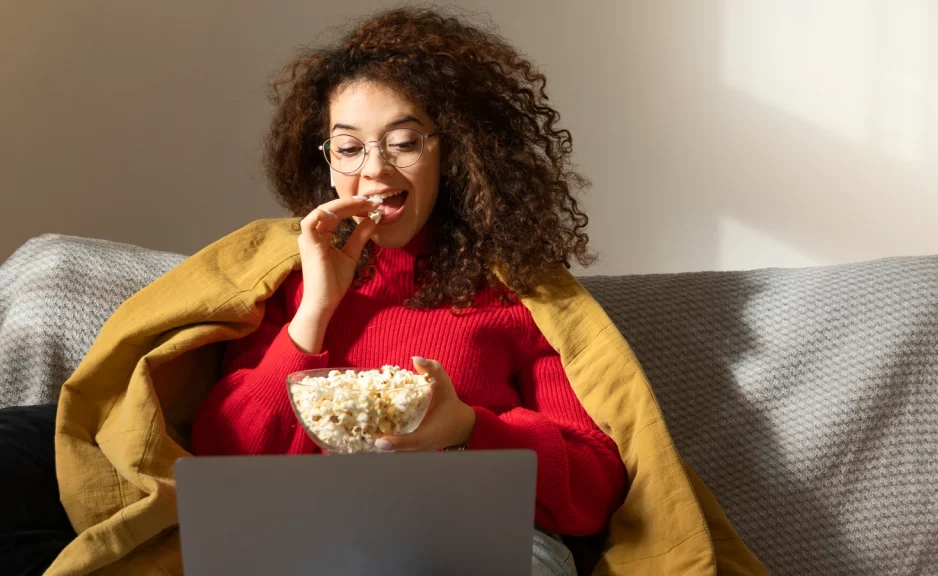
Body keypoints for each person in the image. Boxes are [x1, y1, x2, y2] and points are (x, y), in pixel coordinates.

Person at [1, 8, 626, 576]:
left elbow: (594, 487)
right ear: (325, 159)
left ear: (455, 152)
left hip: (479, 541)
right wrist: (316, 309)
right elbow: (229, 456)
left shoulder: (514, 293)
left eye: (404, 142)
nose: (374, 169)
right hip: (314, 537)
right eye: (349, 147)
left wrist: (466, 429)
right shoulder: (290, 277)